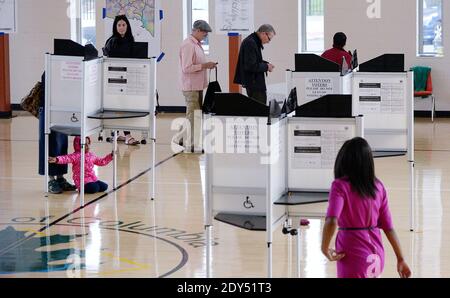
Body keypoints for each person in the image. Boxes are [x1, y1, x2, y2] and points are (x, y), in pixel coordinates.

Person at [321, 137, 411, 278]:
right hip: (376, 254)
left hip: (353, 253)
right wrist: (401, 258)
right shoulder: (378, 187)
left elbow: (332, 220)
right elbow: (389, 228)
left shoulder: (340, 186)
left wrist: (324, 247)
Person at [178, 20, 217, 153]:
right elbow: (186, 68)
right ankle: (191, 145)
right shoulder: (188, 45)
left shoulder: (196, 44)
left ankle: (182, 139)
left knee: (192, 114)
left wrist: (206, 65)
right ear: (198, 31)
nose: (205, 36)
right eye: (205, 34)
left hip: (197, 85)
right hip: (191, 86)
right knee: (194, 116)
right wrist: (205, 66)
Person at [103, 15, 140, 146]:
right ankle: (128, 136)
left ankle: (117, 134)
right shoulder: (112, 41)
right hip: (115, 80)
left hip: (127, 79)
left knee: (123, 107)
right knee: (120, 107)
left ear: (127, 26)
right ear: (115, 27)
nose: (121, 27)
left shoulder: (131, 40)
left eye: (124, 25)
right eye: (119, 25)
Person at [38, 73, 76, 194]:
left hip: (61, 109)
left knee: (61, 144)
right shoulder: (49, 70)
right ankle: (51, 180)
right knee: (49, 144)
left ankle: (60, 178)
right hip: (49, 109)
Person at [48, 136, 113, 194]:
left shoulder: (91, 155)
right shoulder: (76, 156)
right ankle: (81, 188)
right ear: (78, 145)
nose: (87, 146)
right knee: (94, 188)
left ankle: (93, 184)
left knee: (104, 187)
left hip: (92, 178)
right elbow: (66, 158)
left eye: (88, 144)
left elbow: (101, 162)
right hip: (81, 181)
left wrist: (110, 156)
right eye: (85, 144)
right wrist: (57, 159)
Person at [234, 24, 276, 105]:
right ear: (263, 33)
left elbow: (255, 61)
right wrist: (266, 67)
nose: (268, 42)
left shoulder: (253, 41)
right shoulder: (250, 42)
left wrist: (267, 64)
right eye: (269, 38)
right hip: (254, 84)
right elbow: (251, 65)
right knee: (259, 111)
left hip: (254, 83)